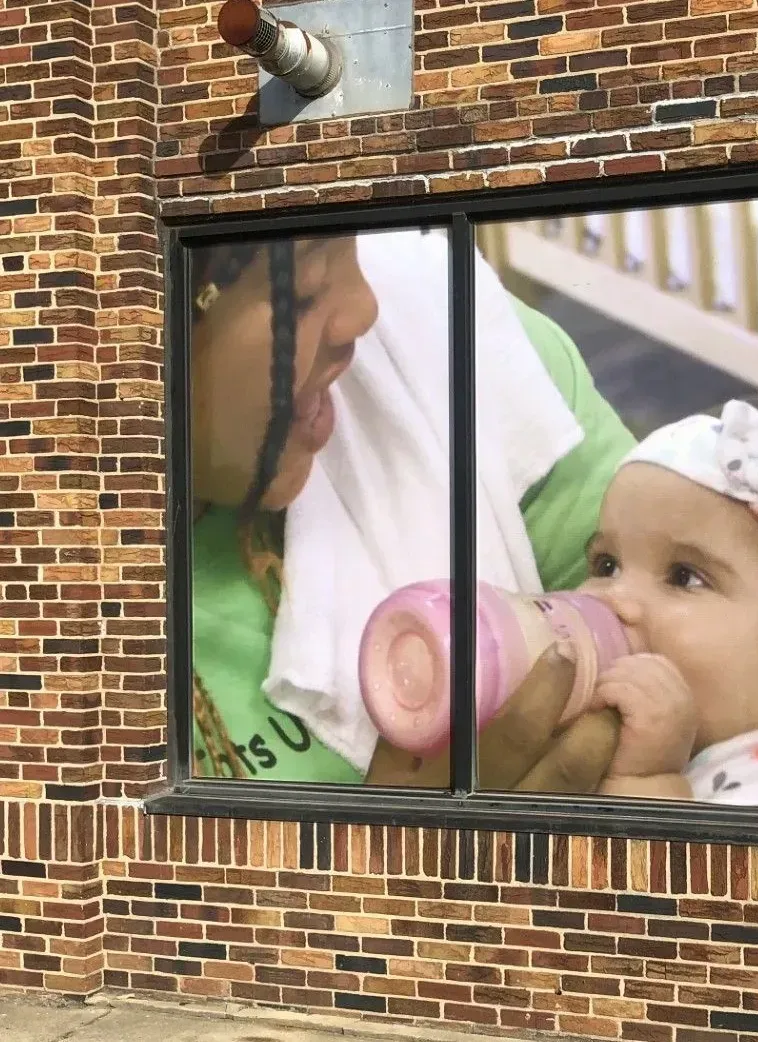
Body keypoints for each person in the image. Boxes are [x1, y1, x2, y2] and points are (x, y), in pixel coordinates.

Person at [187, 229, 636, 789]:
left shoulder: (443, 331)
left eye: (353, 240)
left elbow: (733, 616)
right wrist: (393, 863)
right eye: (303, 290)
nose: (363, 310)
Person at [579, 399, 758, 803]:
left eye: (684, 576)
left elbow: (688, 866)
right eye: (606, 564)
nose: (617, 601)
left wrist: (647, 783)